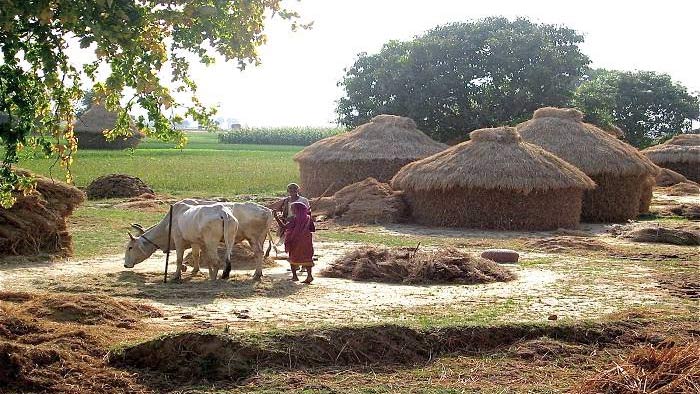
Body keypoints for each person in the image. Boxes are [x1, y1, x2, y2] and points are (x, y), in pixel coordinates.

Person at [281, 201, 315, 284]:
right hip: (306, 240)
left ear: (297, 210)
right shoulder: (308, 218)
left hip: (295, 240)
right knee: (307, 257)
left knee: (293, 257)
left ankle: (295, 276)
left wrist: (276, 217)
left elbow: (284, 227)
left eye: (293, 209)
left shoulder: (294, 218)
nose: (292, 210)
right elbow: (312, 229)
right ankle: (309, 276)